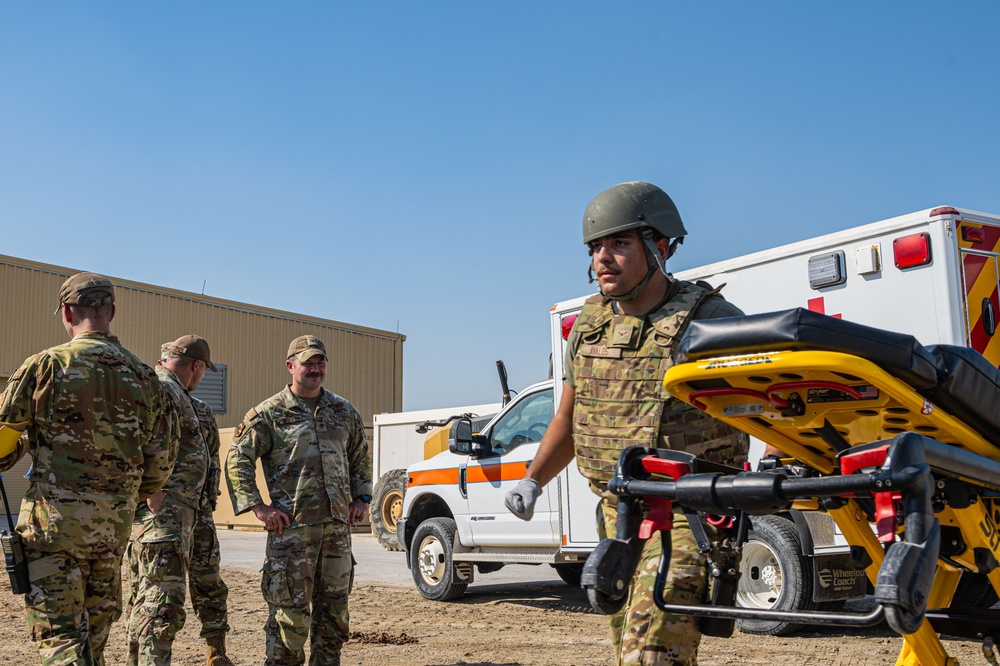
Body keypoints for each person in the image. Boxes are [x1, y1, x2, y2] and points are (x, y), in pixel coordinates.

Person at [504, 182, 749, 665]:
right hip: (618, 516)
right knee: (628, 650)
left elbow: (763, 405)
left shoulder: (711, 321)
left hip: (691, 516)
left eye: (619, 244)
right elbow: (569, 418)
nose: (602, 258)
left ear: (660, 248)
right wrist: (533, 479)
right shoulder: (589, 327)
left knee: (650, 653)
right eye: (596, 247)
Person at [0, 272, 177, 665]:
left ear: (66, 312)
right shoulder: (147, 378)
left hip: (54, 529)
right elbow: (161, 465)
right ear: (111, 311)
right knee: (94, 641)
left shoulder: (44, 366)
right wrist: (121, 495)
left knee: (61, 639)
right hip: (112, 529)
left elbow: (0, 448)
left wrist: (32, 442)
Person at [225, 335, 372, 666]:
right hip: (292, 535)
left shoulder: (343, 410)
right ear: (291, 366)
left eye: (320, 363)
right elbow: (238, 459)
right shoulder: (269, 413)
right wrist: (258, 506)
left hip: (336, 532)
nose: (315, 369)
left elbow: (360, 456)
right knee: (289, 620)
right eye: (308, 363)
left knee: (334, 616)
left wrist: (362, 498)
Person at [126, 334, 234, 666]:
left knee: (209, 585)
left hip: (195, 512)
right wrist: (149, 490)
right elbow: (126, 440)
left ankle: (216, 655)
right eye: (203, 371)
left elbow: (211, 457)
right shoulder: (155, 389)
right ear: (197, 366)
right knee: (160, 601)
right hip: (164, 516)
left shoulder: (196, 406)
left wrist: (206, 504)